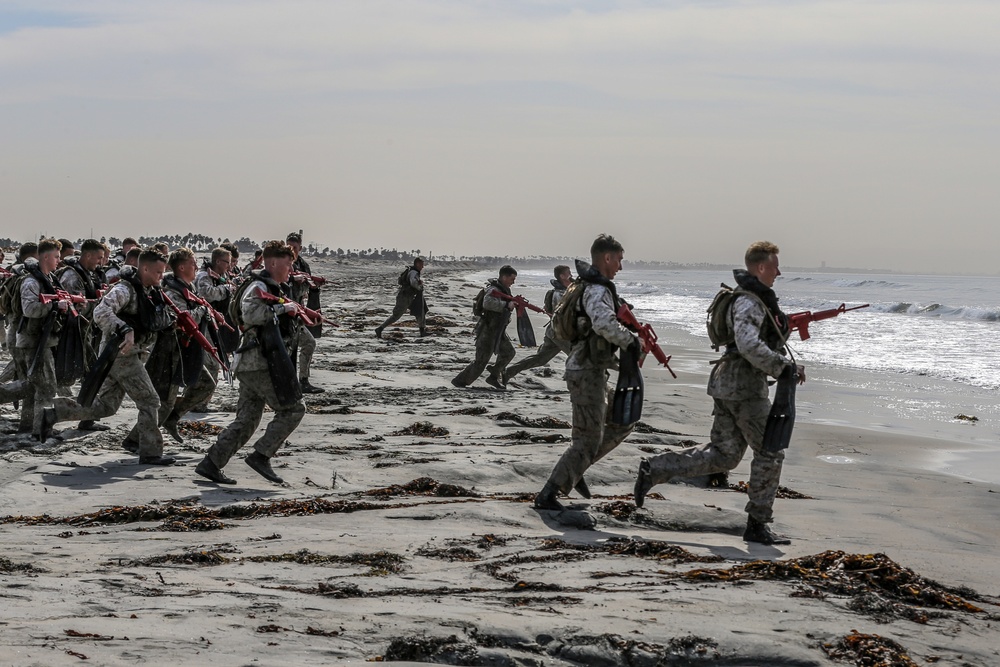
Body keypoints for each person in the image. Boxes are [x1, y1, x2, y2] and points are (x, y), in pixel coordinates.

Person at [633, 241, 806, 545]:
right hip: (744, 390)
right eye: (775, 266)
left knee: (724, 455)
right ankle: (757, 524)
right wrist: (783, 367)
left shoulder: (752, 299)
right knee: (770, 452)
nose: (779, 272)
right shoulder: (750, 301)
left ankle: (654, 468)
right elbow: (749, 344)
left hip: (728, 384)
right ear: (761, 267)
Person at [41, 248, 177, 465]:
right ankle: (150, 452)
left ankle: (53, 413)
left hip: (132, 353)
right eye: (158, 272)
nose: (162, 276)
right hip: (122, 354)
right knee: (150, 400)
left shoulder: (150, 290)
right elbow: (101, 311)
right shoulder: (125, 289)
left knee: (106, 406)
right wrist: (123, 328)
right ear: (144, 268)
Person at [534, 236, 638, 510]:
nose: (620, 267)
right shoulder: (595, 290)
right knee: (587, 440)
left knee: (623, 420)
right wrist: (631, 341)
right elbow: (603, 323)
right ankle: (549, 494)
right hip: (585, 373)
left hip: (594, 371)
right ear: (606, 258)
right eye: (618, 260)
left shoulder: (590, 287)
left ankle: (575, 468)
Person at [194, 240, 306, 485]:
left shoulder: (273, 286)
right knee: (293, 409)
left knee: (247, 419)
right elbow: (251, 314)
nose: (290, 269)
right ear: (273, 262)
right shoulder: (257, 286)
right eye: (288, 264)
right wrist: (283, 309)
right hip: (259, 362)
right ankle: (261, 455)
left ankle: (211, 463)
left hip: (251, 362)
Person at [155, 248, 218, 443]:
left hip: (187, 350)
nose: (196, 267)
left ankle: (172, 419)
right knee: (166, 401)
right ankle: (135, 438)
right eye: (192, 263)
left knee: (206, 385)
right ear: (181, 267)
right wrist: (202, 310)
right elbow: (183, 319)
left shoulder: (187, 288)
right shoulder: (172, 291)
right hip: (173, 351)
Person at [12, 239, 66, 439]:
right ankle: (41, 430)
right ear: (45, 257)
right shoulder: (31, 281)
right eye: (56, 257)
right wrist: (54, 307)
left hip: (40, 339)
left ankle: (28, 426)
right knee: (46, 386)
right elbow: (29, 309)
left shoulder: (48, 278)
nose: (59, 261)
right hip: (34, 341)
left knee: (32, 387)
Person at [56, 238, 108, 432]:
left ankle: (86, 418)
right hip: (70, 335)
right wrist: (98, 304)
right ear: (87, 255)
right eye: (98, 258)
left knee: (92, 374)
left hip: (83, 334)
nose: (100, 262)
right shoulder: (72, 276)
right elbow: (75, 308)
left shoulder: (88, 274)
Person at [451, 265, 518, 391]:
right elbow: (487, 303)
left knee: (509, 353)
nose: (513, 282)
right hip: (487, 329)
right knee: (481, 361)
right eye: (512, 279)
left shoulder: (503, 289)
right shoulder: (493, 289)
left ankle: (493, 376)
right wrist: (506, 305)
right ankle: (460, 381)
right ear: (504, 277)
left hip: (498, 330)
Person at [505, 265, 573, 383]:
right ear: (562, 276)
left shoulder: (560, 292)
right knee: (579, 356)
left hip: (553, 331)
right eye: (569, 273)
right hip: (560, 332)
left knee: (541, 359)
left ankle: (509, 372)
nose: (571, 275)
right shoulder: (560, 294)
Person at [285, 232, 323, 394]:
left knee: (308, 343)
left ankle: (302, 380)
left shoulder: (303, 265)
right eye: (289, 246)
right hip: (283, 312)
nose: (292, 250)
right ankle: (290, 382)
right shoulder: (281, 263)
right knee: (288, 349)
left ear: (300, 248)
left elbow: (308, 286)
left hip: (298, 312)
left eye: (295, 247)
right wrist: (292, 278)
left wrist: (314, 286)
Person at [375, 257, 426, 338]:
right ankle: (380, 329)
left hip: (410, 297)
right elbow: (413, 283)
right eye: (422, 265)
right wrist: (420, 287)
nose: (423, 267)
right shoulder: (413, 273)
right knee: (396, 316)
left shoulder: (413, 271)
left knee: (420, 311)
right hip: (404, 297)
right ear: (417, 264)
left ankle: (422, 331)